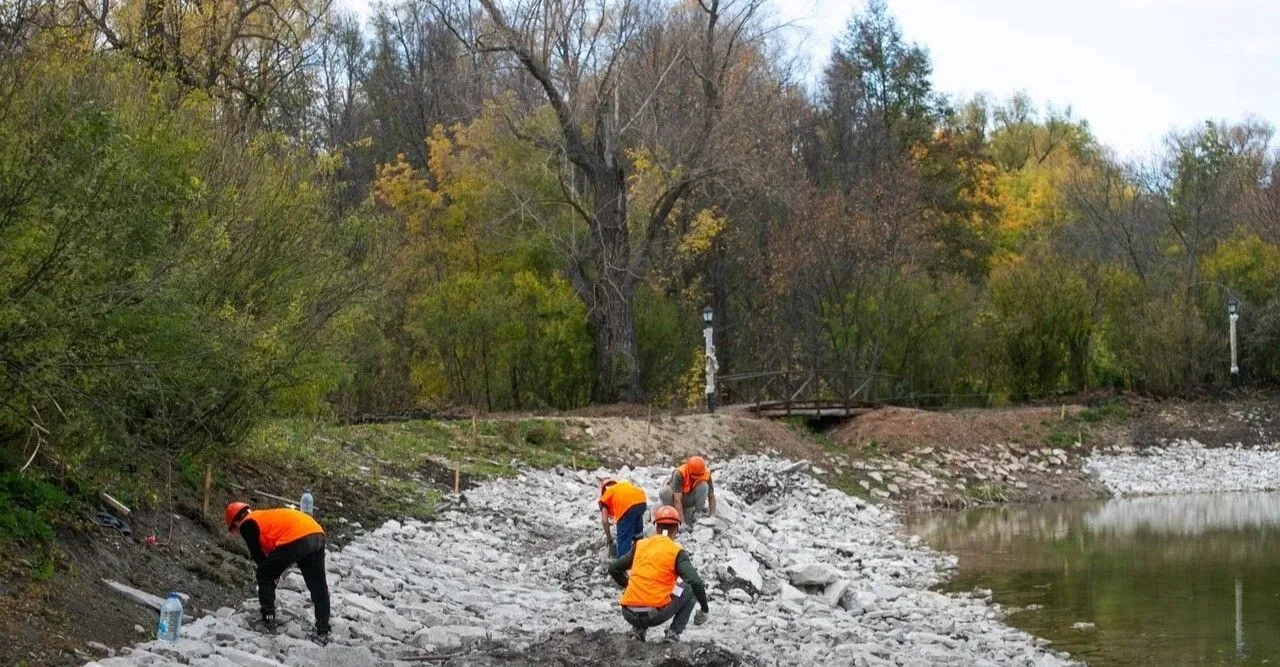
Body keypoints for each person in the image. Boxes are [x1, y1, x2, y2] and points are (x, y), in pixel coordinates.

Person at [225, 502, 330, 643]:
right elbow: (274, 554)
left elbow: (259, 558)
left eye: (234, 530)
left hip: (297, 537)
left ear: (235, 523)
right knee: (318, 586)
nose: (237, 533)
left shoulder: (247, 524)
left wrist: (270, 579)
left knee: (263, 574)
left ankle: (268, 621)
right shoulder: (264, 517)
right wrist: (274, 573)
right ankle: (323, 630)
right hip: (316, 532)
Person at [608, 505, 710, 643]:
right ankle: (673, 634)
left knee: (645, 588)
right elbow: (695, 581)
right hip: (653, 616)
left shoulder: (641, 545)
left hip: (628, 613)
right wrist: (704, 609)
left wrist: (628, 585)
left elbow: (613, 568)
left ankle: (637, 630)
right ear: (677, 529)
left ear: (656, 528)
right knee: (689, 587)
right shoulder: (676, 551)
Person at [658, 455, 716, 524]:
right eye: (694, 476)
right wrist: (682, 522)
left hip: (689, 499)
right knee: (664, 492)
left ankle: (697, 514)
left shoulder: (706, 473)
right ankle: (671, 512)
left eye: (698, 476)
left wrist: (712, 515)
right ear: (689, 470)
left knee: (704, 486)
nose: (696, 478)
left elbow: (711, 495)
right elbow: (677, 500)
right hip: (675, 499)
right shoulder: (679, 473)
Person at [599, 478, 648, 558]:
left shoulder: (605, 496)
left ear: (603, 490)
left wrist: (609, 537)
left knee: (623, 540)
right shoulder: (622, 485)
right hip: (642, 501)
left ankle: (623, 565)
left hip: (627, 508)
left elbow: (605, 521)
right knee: (637, 536)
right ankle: (640, 556)